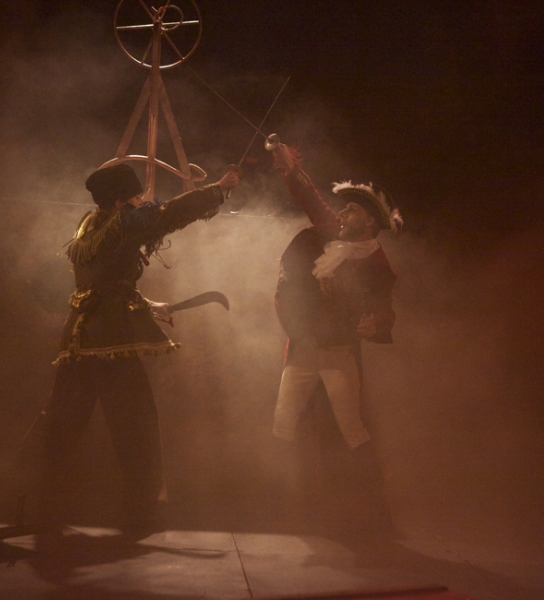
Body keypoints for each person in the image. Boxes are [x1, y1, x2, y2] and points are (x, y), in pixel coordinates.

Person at [38, 163, 240, 538]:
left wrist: (146, 305)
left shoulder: (91, 224)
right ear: (119, 202)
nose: (141, 202)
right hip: (110, 339)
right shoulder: (122, 222)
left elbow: (103, 285)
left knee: (63, 425)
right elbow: (168, 213)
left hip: (79, 338)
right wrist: (218, 188)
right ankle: (143, 514)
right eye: (135, 197)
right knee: (137, 426)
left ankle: (39, 507)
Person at [267, 140, 401, 532]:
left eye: (351, 210)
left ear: (369, 223)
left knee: (351, 432)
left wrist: (377, 322)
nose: (341, 213)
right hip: (304, 350)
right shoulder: (329, 232)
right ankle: (288, 508)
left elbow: (385, 308)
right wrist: (291, 169)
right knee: (286, 426)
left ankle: (372, 514)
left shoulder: (376, 262)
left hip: (340, 354)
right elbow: (311, 198)